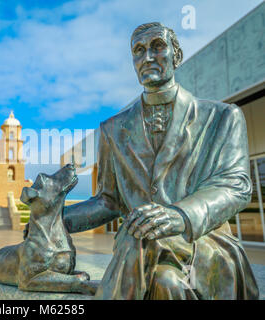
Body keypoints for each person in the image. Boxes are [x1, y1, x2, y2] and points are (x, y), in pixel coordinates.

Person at [26, 22, 259, 300]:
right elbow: (108, 201)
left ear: (177, 56)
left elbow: (235, 186)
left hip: (201, 242)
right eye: (138, 51)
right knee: (166, 281)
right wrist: (52, 220)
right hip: (141, 250)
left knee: (154, 262)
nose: (147, 57)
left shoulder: (221, 117)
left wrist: (180, 215)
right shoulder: (113, 129)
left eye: (157, 47)